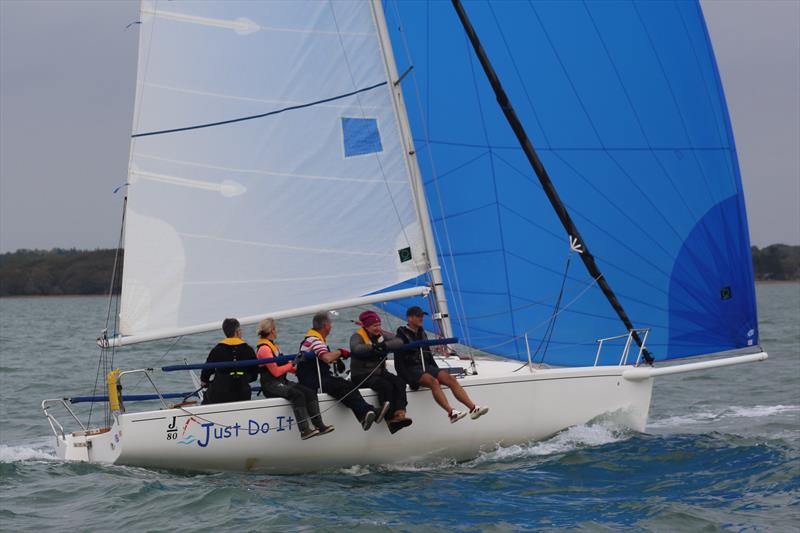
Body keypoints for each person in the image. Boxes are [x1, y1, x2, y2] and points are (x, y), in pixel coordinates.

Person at [394, 306, 489, 423]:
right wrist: (408, 380)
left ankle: (473, 408)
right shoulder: (400, 335)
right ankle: (451, 413)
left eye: (422, 316)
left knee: (450, 379)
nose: (421, 318)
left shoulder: (422, 333)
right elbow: (398, 363)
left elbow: (428, 354)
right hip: (412, 369)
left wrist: (437, 371)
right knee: (434, 382)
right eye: (418, 316)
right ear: (409, 318)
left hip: (426, 366)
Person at [295, 312, 378, 431]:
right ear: (326, 326)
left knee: (344, 385)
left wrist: (336, 360)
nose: (331, 326)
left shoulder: (310, 339)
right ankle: (367, 411)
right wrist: (339, 352)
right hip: (315, 380)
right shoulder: (316, 340)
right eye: (330, 324)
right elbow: (326, 357)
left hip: (312, 377)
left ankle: (364, 414)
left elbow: (320, 359)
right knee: (345, 386)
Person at [256, 318, 334, 440]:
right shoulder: (264, 349)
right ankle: (304, 430)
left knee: (309, 392)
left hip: (282, 382)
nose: (277, 331)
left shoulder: (274, 346)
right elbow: (276, 372)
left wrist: (300, 370)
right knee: (297, 394)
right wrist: (293, 364)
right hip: (271, 385)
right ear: (271, 330)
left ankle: (319, 425)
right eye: (275, 329)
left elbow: (285, 366)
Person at [350, 310, 413, 434]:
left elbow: (399, 341)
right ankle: (389, 419)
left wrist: (384, 346)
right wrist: (374, 347)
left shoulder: (381, 334)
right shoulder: (357, 336)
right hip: (362, 375)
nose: (378, 328)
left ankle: (400, 412)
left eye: (379, 325)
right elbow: (356, 348)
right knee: (385, 385)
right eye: (374, 326)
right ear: (366, 327)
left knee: (399, 382)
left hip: (379, 372)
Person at [200, 318, 258, 405]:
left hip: (221, 394)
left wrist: (206, 383)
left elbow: (205, 374)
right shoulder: (248, 349)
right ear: (237, 331)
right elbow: (254, 375)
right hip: (243, 393)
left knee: (207, 397)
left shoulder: (217, 350)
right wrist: (243, 379)